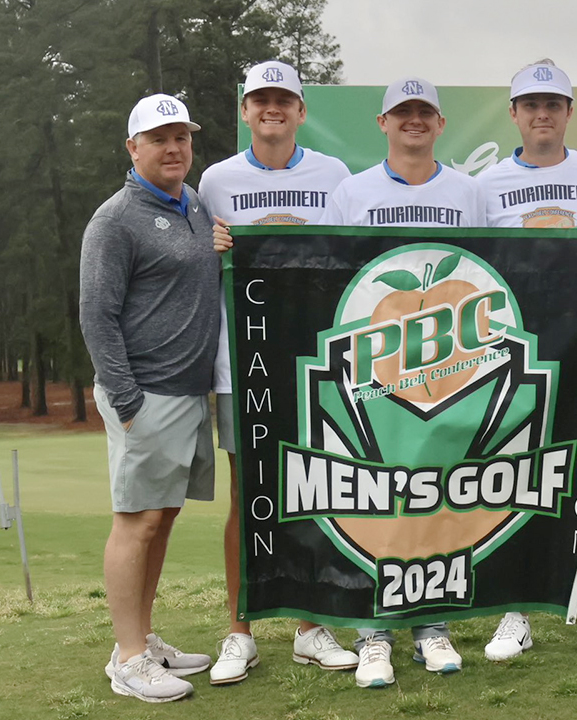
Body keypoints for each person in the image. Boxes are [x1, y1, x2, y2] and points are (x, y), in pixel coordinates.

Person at [317, 76, 486, 685]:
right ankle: (373, 634)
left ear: (441, 124)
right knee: (378, 489)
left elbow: (491, 275)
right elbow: (332, 274)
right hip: (374, 361)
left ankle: (432, 627)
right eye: (402, 113)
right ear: (383, 123)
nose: (413, 121)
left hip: (451, 363)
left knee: (437, 491)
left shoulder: (470, 192)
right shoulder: (351, 191)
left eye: (425, 113)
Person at [201, 60, 358, 686]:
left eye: (283, 100)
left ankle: (308, 626)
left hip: (313, 359)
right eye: (260, 99)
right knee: (248, 494)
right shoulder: (216, 180)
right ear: (245, 111)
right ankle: (240, 629)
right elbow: (193, 266)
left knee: (311, 489)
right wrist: (209, 252)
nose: (272, 109)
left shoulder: (335, 174)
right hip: (242, 358)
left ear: (300, 110)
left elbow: (348, 258)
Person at [475, 60, 577, 662]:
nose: (543, 115)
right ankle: (517, 609)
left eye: (554, 105)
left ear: (569, 113)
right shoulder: (484, 185)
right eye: (531, 105)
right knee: (514, 481)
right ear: (513, 114)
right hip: (510, 362)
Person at [80, 93, 218, 703]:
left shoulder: (191, 203)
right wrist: (127, 399)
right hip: (146, 393)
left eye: (181, 138)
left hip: (187, 392)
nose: (173, 149)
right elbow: (97, 315)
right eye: (159, 139)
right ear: (132, 148)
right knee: (136, 523)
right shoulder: (115, 219)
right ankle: (129, 659)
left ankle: (141, 638)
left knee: (162, 519)